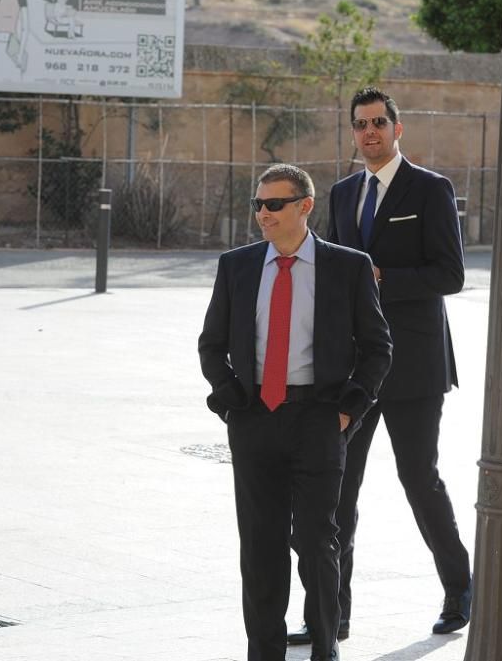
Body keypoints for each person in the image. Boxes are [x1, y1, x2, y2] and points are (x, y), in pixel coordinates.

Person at [289, 87, 471, 645]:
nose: (369, 132)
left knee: (420, 480)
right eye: (360, 124)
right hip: (355, 372)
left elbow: (450, 275)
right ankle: (330, 616)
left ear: (398, 129)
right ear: (352, 133)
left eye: (378, 123)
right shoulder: (342, 195)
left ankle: (460, 589)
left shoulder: (431, 189)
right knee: (337, 491)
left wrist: (384, 278)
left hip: (416, 366)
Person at [198, 164, 392, 661]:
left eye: (273, 204)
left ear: (304, 206)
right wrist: (231, 403)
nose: (262, 213)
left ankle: (326, 649)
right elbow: (211, 344)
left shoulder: (347, 266)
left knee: (315, 542)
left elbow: (377, 347)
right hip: (254, 418)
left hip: (319, 420)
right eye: (257, 205)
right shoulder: (237, 266)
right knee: (260, 551)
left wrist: (349, 410)